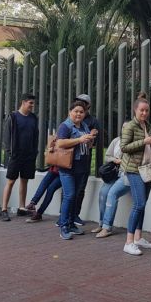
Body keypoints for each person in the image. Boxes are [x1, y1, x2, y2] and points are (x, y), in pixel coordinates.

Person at [120, 97, 151, 255]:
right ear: (135, 110)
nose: (144, 113)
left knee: (143, 204)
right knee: (139, 204)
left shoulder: (148, 126)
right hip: (133, 169)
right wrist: (144, 141)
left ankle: (138, 238)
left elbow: (149, 149)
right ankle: (128, 242)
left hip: (147, 168)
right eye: (141, 110)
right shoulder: (130, 126)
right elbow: (124, 147)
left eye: (146, 110)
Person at [56, 101, 95, 240]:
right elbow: (60, 143)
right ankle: (64, 226)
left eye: (81, 112)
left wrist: (90, 139)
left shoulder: (84, 126)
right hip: (67, 167)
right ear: (70, 112)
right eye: (76, 111)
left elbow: (87, 145)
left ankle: (71, 223)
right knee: (69, 195)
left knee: (76, 196)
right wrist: (79, 139)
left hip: (81, 167)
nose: (79, 114)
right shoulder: (65, 126)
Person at [1, 93, 39, 221]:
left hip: (29, 156)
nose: (32, 106)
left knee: (24, 180)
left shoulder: (33, 118)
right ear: (23, 102)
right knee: (11, 181)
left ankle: (22, 208)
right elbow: (7, 136)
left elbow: (36, 135)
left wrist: (34, 152)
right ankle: (3, 210)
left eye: (33, 103)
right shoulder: (13, 117)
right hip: (16, 155)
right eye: (30, 103)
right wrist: (10, 152)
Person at [71, 94, 101, 227]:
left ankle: (75, 214)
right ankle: (65, 215)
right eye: (77, 101)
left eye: (82, 103)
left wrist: (91, 137)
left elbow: (94, 143)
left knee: (80, 188)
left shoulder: (92, 122)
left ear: (88, 106)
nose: (79, 104)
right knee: (68, 189)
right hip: (69, 159)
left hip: (83, 159)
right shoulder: (70, 120)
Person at [90, 135, 122, 235]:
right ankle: (101, 224)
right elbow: (107, 156)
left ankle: (107, 227)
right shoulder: (117, 140)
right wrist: (114, 160)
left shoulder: (135, 141)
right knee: (103, 194)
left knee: (112, 194)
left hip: (126, 175)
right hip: (114, 173)